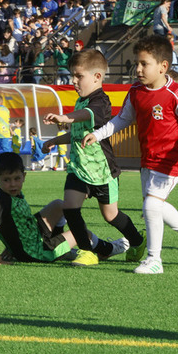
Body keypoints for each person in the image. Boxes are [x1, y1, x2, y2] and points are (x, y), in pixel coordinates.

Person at [83, 35, 178, 274]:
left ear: (163, 66)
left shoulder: (177, 93)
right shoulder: (136, 91)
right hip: (148, 159)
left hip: (171, 160)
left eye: (144, 64)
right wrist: (98, 134)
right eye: (136, 63)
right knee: (153, 207)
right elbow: (123, 119)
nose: (138, 69)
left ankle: (154, 260)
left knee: (152, 205)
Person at [41, 50, 144, 266]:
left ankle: (137, 241)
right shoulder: (80, 101)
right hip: (79, 169)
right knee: (70, 207)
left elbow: (87, 115)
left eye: (79, 76)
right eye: (73, 76)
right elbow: (78, 133)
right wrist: (55, 141)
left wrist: (63, 117)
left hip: (102, 171)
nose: (74, 81)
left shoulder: (101, 101)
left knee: (111, 216)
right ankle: (87, 251)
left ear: (97, 77)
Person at [0, 152, 90, 264]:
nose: (12, 184)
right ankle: (106, 249)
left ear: (24, 176)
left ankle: (60, 244)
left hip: (35, 239)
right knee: (84, 233)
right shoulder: (2, 202)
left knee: (59, 205)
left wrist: (11, 247)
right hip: (36, 253)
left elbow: (13, 227)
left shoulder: (12, 195)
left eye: (17, 178)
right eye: (6, 180)